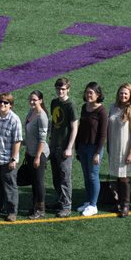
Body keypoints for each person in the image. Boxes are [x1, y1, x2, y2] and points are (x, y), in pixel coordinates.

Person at [0, 92, 24, 220]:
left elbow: (17, 141)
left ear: (11, 105)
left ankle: (12, 211)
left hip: (7, 159)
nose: (2, 104)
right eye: (0, 102)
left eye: (6, 102)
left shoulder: (15, 120)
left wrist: (14, 158)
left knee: (9, 187)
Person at [105, 83, 131, 216]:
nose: (123, 95)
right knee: (117, 176)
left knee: (124, 177)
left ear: (130, 95)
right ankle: (118, 203)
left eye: (126, 93)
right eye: (121, 93)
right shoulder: (112, 107)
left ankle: (125, 205)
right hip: (114, 146)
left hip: (125, 148)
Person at [74, 82, 106, 216]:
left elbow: (103, 134)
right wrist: (77, 147)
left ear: (98, 95)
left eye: (91, 93)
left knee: (93, 176)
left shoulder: (102, 111)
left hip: (94, 148)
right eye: (87, 92)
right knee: (86, 176)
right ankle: (88, 201)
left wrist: (97, 152)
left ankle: (94, 205)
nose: (88, 95)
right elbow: (80, 128)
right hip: (82, 146)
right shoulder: (84, 107)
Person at [47, 77, 76, 217]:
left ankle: (67, 206)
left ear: (68, 89)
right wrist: (51, 140)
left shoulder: (70, 105)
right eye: (58, 89)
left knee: (65, 178)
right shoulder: (54, 102)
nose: (60, 91)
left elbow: (74, 128)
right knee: (56, 177)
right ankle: (60, 200)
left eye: (63, 89)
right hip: (54, 146)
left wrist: (69, 147)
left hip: (65, 147)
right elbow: (53, 123)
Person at [21, 89, 49, 218]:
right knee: (33, 181)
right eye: (31, 99)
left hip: (39, 154)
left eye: (35, 100)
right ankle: (34, 206)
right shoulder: (31, 112)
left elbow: (42, 140)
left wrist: (37, 157)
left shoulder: (42, 117)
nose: (32, 102)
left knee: (38, 182)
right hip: (31, 152)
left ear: (41, 101)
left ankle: (40, 209)